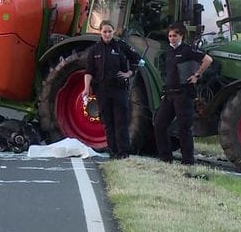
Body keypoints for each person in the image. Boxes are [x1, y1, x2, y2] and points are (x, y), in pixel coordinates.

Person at [154, 22, 212, 165]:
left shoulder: (188, 50)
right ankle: (165, 158)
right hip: (169, 94)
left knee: (184, 128)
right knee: (159, 124)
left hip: (183, 94)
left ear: (182, 36)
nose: (172, 38)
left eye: (175, 35)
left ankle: (188, 161)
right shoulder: (168, 51)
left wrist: (197, 75)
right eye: (170, 36)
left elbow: (208, 60)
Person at [82, 20, 142, 159]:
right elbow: (89, 71)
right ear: (100, 32)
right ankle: (113, 152)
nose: (107, 34)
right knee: (108, 122)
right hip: (102, 90)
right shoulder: (94, 50)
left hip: (119, 90)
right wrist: (86, 88)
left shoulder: (121, 46)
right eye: (104, 32)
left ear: (114, 31)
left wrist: (129, 73)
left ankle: (123, 152)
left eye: (110, 31)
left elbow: (137, 59)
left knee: (121, 121)